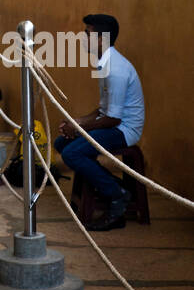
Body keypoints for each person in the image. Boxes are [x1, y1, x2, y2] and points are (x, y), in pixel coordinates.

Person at [53, 14, 145, 232]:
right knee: (62, 144)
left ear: (101, 39)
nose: (83, 38)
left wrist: (79, 128)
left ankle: (118, 196)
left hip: (124, 130)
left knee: (71, 153)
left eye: (88, 34)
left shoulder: (115, 68)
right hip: (112, 124)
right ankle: (109, 185)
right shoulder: (104, 63)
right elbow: (103, 110)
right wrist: (77, 122)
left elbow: (114, 118)